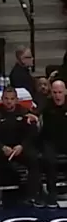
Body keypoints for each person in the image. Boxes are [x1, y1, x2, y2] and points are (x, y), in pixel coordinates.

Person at [0, 85, 40, 210]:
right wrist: (2, 147)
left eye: (12, 99)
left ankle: (33, 195)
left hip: (19, 149)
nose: (9, 102)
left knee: (34, 158)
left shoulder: (24, 112)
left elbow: (31, 133)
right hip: (0, 148)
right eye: (6, 99)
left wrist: (22, 146)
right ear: (2, 99)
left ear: (16, 100)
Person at [40, 79, 67, 208]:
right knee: (49, 159)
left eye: (60, 92)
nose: (57, 95)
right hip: (50, 140)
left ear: (65, 92)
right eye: (55, 92)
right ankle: (52, 193)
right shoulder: (46, 104)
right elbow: (35, 112)